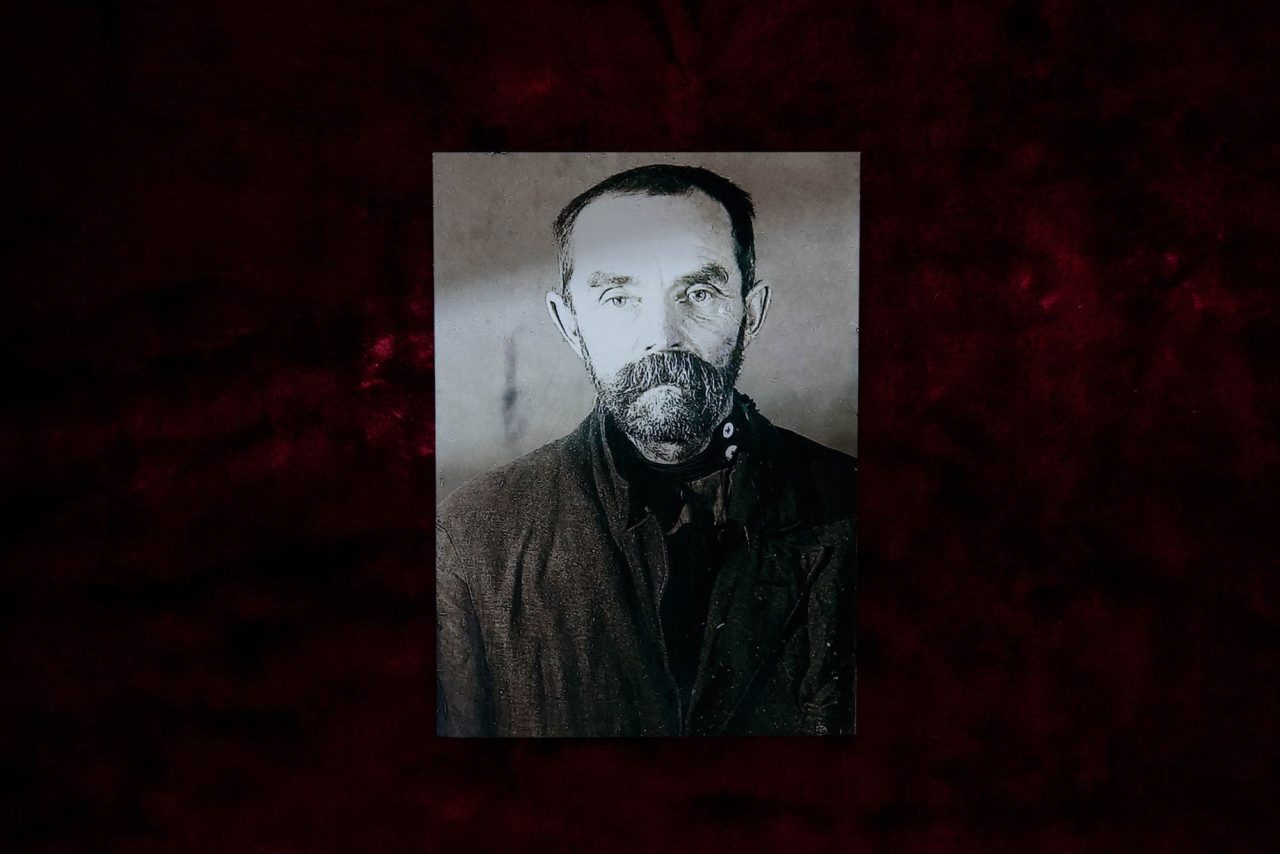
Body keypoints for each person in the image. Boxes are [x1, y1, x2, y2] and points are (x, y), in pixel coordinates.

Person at [436, 164, 856, 737]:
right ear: (569, 325)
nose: (662, 334)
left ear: (751, 312)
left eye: (699, 293)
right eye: (618, 297)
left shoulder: (856, 506)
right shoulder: (471, 540)